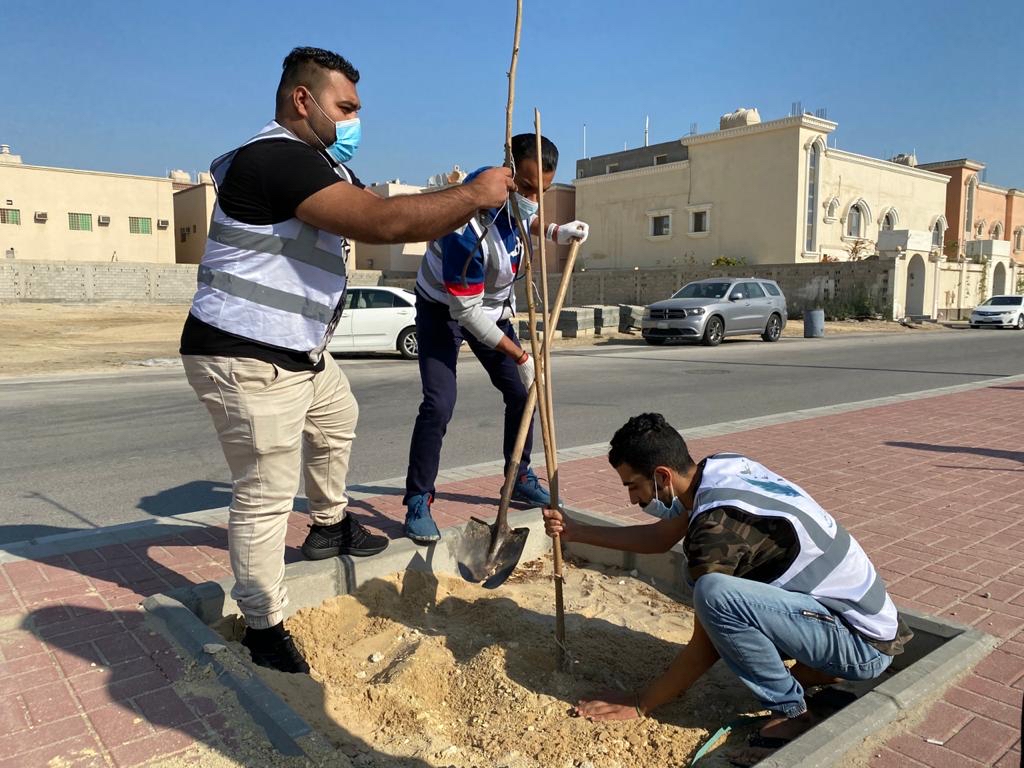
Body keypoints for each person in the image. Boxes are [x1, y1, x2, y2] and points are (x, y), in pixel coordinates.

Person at [179, 47, 514, 674]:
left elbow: (392, 210)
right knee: (265, 492)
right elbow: (384, 222)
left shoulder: (316, 164)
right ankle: (263, 625)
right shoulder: (275, 158)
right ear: (302, 100)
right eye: (347, 107)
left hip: (298, 353)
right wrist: (471, 194)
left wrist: (467, 199)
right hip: (246, 353)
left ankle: (330, 524)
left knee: (337, 416)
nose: (356, 121)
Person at [542, 413, 912, 749]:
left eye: (633, 485)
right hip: (865, 622)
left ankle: (792, 713)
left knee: (713, 593)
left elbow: (706, 648)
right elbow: (660, 537)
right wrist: (577, 532)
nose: (632, 498)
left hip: (863, 646)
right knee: (714, 587)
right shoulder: (722, 468)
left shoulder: (715, 530)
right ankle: (819, 667)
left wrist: (640, 702)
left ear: (662, 476)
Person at [402, 134, 589, 542]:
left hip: (491, 308)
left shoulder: (519, 201)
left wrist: (555, 231)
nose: (533, 197)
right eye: (526, 186)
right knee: (439, 403)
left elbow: (520, 220)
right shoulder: (464, 224)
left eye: (542, 190)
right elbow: (466, 314)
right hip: (444, 309)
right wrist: (522, 356)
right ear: (507, 169)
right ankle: (418, 499)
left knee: (523, 394)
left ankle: (518, 476)